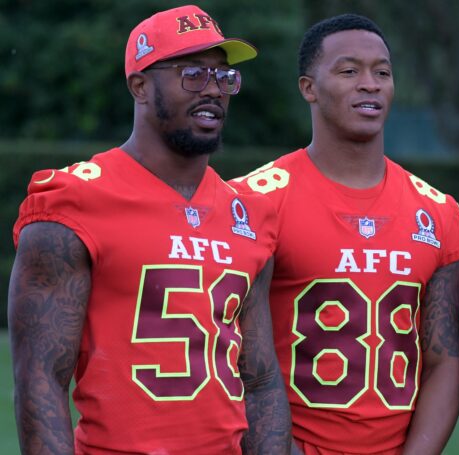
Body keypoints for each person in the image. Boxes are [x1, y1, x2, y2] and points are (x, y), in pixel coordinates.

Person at [8, 5, 291, 454]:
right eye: (193, 74)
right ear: (139, 85)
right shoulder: (74, 199)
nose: (213, 90)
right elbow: (40, 379)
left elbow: (258, 380)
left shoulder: (251, 213)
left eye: (224, 77)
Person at [229, 13, 459, 455]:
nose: (370, 83)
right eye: (349, 70)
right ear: (309, 88)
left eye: (382, 72)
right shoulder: (253, 201)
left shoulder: (437, 212)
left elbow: (444, 361)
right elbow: (230, 358)